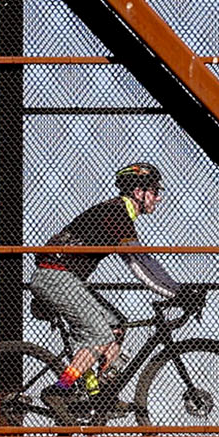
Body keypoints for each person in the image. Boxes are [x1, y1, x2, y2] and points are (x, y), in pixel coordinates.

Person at [32, 162, 188, 391]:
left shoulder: (118, 212)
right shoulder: (117, 212)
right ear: (138, 192)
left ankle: (97, 392)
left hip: (65, 278)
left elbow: (141, 260)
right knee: (99, 334)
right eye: (154, 191)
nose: (158, 198)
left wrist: (176, 289)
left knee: (115, 325)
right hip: (56, 276)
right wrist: (177, 292)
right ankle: (62, 388)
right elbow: (139, 263)